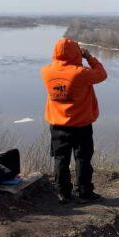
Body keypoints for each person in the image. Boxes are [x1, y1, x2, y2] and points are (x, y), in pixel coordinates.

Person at [41, 37, 107, 204]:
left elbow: (58, 66)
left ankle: (63, 193)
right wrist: (89, 57)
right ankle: (84, 192)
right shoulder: (80, 73)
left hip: (57, 125)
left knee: (60, 158)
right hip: (81, 124)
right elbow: (102, 74)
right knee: (83, 158)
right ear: (76, 53)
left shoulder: (46, 71)